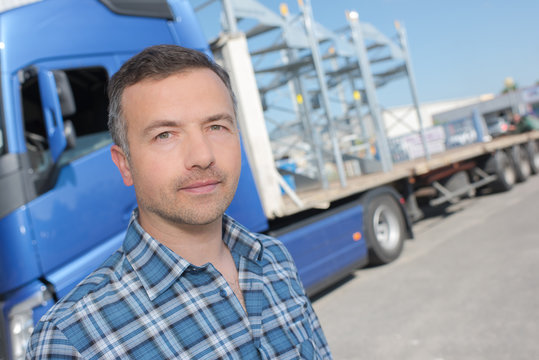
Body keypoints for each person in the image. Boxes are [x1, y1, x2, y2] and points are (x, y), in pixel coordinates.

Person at [26, 45, 332, 359]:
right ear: (125, 164)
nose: (202, 156)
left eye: (216, 127)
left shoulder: (275, 260)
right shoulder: (71, 339)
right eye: (165, 135)